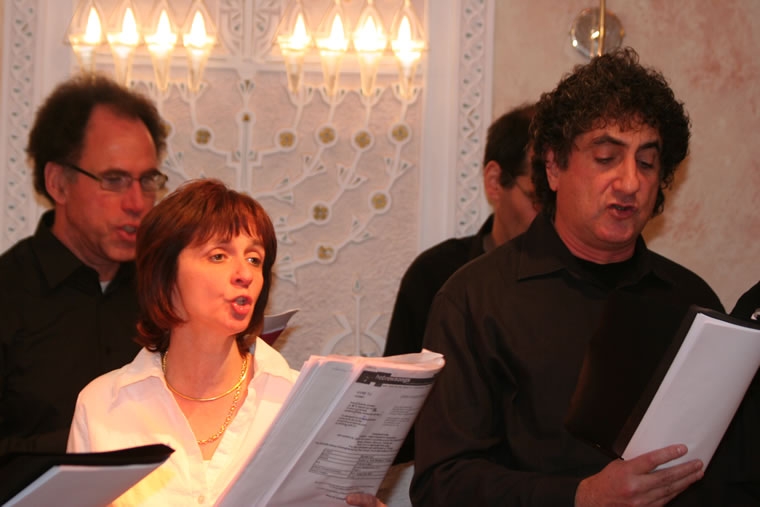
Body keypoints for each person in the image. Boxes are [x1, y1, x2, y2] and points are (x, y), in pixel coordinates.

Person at [410, 48, 742, 506]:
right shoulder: (474, 300)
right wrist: (579, 497)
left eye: (647, 162)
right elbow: (441, 483)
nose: (630, 182)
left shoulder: (690, 300)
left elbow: (731, 469)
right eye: (606, 157)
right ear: (553, 166)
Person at [68, 179, 384, 507]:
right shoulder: (103, 405)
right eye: (219, 256)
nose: (244, 274)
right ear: (164, 276)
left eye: (254, 259)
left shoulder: (301, 404)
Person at [0, 73, 167, 455]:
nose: (137, 203)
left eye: (147, 180)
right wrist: (86, 442)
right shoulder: (8, 293)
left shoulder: (165, 291)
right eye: (114, 180)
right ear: (58, 183)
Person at [383, 104, 537, 467]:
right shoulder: (436, 275)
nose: (555, 218)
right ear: (495, 182)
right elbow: (394, 417)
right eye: (538, 199)